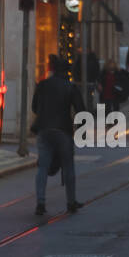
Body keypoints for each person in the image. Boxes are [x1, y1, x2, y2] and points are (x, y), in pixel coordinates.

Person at [31, 53, 84, 216]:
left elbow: (34, 107)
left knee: (42, 167)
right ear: (67, 72)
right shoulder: (71, 87)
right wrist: (79, 129)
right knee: (68, 167)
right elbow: (81, 111)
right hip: (63, 131)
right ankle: (71, 201)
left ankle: (40, 202)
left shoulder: (42, 85)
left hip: (44, 130)